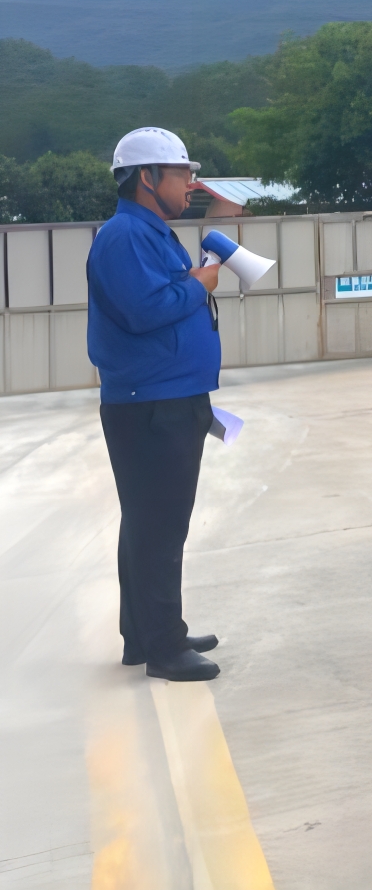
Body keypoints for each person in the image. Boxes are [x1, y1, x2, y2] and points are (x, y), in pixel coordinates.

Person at [86, 128, 225, 681]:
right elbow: (145, 310)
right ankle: (164, 647)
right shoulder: (124, 236)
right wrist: (200, 284)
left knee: (150, 522)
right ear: (147, 177)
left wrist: (191, 282)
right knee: (160, 526)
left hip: (167, 397)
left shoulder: (151, 233)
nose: (191, 184)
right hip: (151, 403)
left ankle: (146, 634)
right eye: (182, 174)